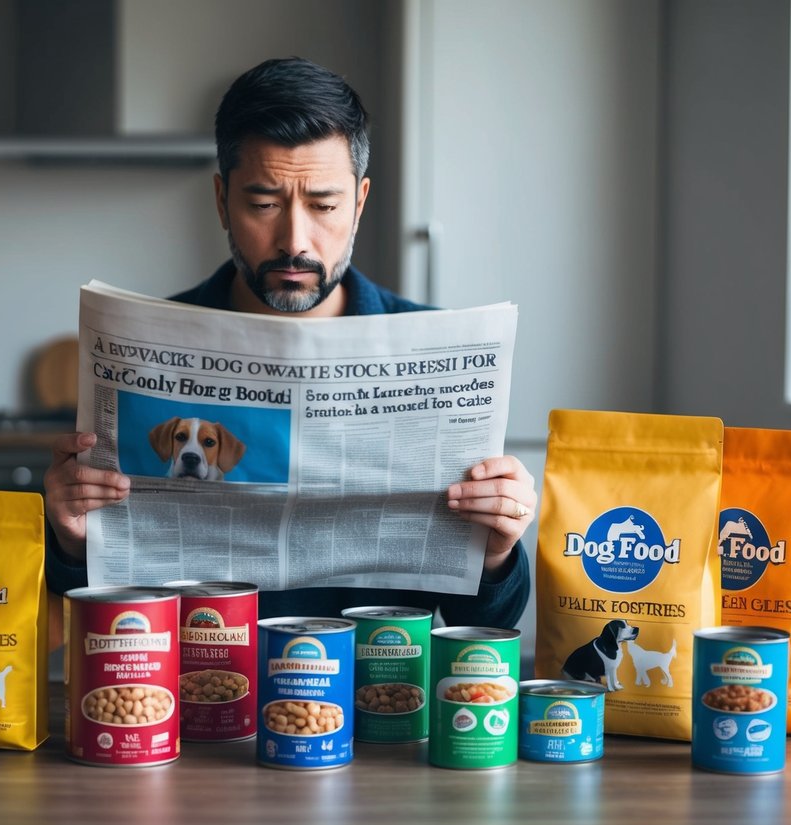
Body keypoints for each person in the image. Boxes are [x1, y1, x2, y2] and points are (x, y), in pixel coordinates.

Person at [44, 57, 535, 635]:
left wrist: (499, 546)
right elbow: (88, 608)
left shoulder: (434, 352)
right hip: (193, 701)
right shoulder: (137, 350)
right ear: (222, 200)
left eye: (324, 206)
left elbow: (491, 620)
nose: (294, 241)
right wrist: (73, 540)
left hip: (378, 703)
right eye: (264, 205)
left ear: (359, 202)